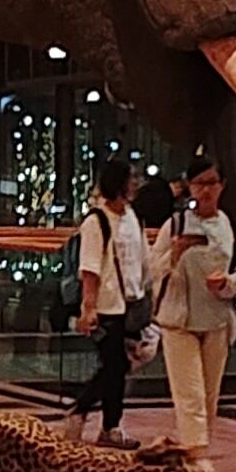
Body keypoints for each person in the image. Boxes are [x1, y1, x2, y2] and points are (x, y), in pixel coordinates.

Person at [149, 153, 236, 467]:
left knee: (208, 395)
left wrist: (227, 284)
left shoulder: (234, 228)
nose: (206, 190)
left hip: (217, 320)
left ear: (222, 186)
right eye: (199, 183)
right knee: (189, 392)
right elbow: (151, 269)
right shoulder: (175, 225)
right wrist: (174, 255)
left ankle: (193, 454)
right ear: (189, 187)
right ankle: (198, 457)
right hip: (179, 321)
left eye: (212, 183)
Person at [56, 157, 147, 448]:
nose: (135, 183)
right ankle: (86, 412)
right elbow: (90, 268)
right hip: (107, 306)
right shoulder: (96, 221)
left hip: (129, 305)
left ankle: (107, 423)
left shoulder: (133, 217)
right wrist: (88, 307)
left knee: (116, 369)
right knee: (115, 366)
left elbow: (143, 258)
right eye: (131, 178)